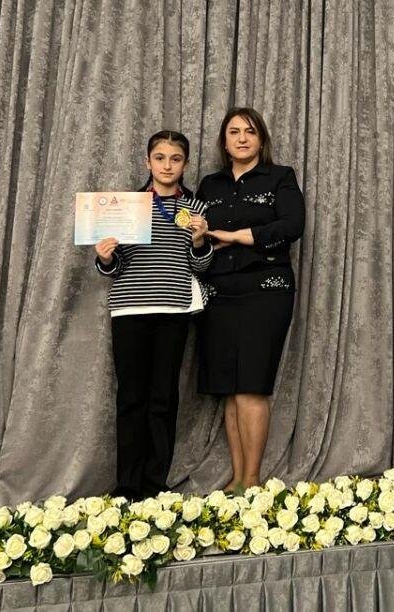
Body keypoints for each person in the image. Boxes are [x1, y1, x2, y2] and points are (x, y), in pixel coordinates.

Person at [94, 130, 212, 498]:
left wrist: (199, 241)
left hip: (173, 311)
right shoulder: (126, 207)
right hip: (129, 309)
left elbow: (201, 267)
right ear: (148, 162)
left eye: (175, 159)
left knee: (163, 399)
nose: (167, 165)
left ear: (185, 164)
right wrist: (105, 257)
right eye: (159, 158)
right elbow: (113, 268)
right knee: (131, 398)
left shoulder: (197, 208)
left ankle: (154, 485)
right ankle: (127, 486)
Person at [195, 107, 305, 492]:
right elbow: (199, 239)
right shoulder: (210, 185)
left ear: (261, 140)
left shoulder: (281, 177)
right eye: (234, 132)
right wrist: (201, 240)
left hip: (266, 289)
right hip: (219, 291)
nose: (242, 138)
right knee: (229, 388)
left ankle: (254, 481)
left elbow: (292, 225)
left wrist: (235, 236)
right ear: (224, 142)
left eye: (250, 131)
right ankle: (237, 479)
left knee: (251, 386)